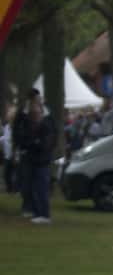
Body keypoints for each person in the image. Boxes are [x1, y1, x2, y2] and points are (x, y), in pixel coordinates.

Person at [17, 90, 58, 225]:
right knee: (33, 186)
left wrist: (35, 143)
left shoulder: (45, 125)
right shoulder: (29, 122)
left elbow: (44, 143)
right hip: (33, 158)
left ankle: (44, 214)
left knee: (41, 187)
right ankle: (37, 211)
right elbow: (26, 139)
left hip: (41, 160)